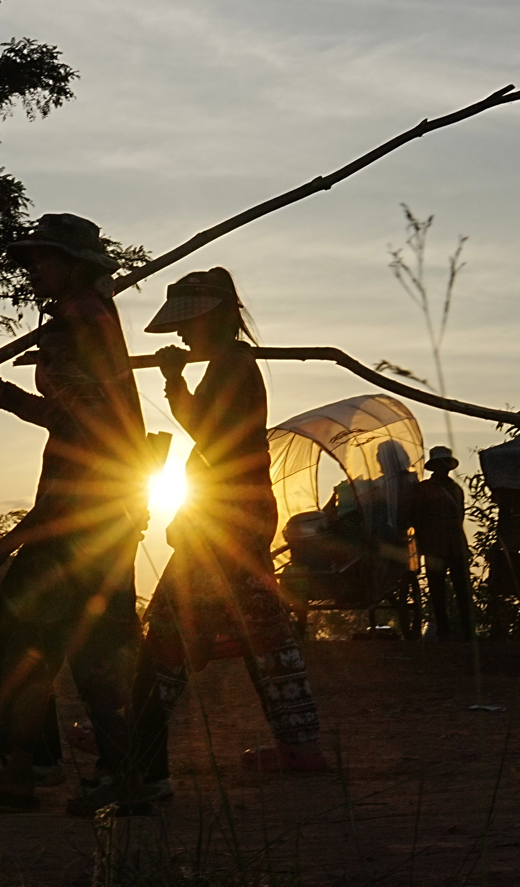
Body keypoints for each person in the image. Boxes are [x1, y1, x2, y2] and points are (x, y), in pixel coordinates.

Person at [0, 213, 152, 814]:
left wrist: (25, 532)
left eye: (44, 260)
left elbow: (88, 427)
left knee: (43, 631)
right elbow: (71, 417)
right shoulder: (89, 318)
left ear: (73, 264)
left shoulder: (79, 323)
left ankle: (38, 766)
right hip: (108, 499)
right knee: (83, 638)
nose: (34, 269)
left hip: (85, 503)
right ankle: (50, 767)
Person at [129, 267, 326, 794]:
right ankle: (299, 743)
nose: (180, 336)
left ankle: (134, 737)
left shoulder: (232, 366)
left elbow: (210, 434)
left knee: (174, 625)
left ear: (213, 318)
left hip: (224, 520)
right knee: (257, 629)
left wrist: (173, 380)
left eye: (187, 324)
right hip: (233, 514)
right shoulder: (231, 364)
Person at [412, 445, 473, 641]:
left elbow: (459, 516)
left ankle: (467, 631)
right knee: (437, 591)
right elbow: (416, 518)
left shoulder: (454, 489)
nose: (443, 467)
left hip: (454, 545)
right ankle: (444, 631)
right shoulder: (424, 489)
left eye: (445, 464)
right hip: (435, 546)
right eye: (441, 464)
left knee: (462, 590)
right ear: (435, 466)